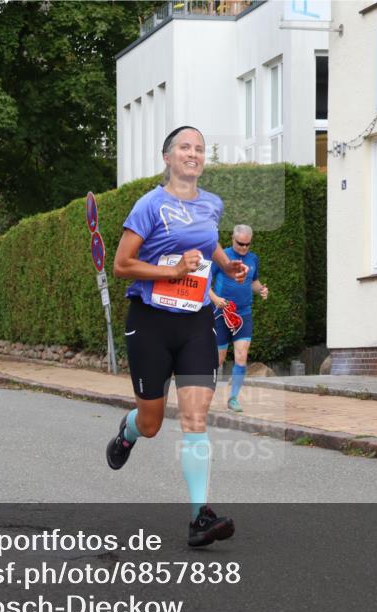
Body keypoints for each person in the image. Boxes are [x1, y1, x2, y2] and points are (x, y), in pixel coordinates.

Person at [105, 125, 249, 548]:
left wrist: (225, 265)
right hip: (150, 322)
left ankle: (199, 517)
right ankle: (128, 432)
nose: (193, 153)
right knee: (151, 424)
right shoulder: (149, 205)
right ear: (167, 157)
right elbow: (122, 264)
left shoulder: (212, 204)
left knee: (195, 419)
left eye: (200, 148)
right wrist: (172, 272)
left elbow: (208, 244)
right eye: (185, 147)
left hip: (194, 323)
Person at [208, 224, 268, 412]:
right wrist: (216, 299)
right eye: (240, 243)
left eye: (247, 244)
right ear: (232, 239)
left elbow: (253, 282)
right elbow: (204, 283)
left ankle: (233, 398)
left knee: (241, 355)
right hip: (221, 313)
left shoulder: (253, 259)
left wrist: (261, 290)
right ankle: (206, 394)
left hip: (243, 313)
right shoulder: (221, 256)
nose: (243, 248)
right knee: (217, 359)